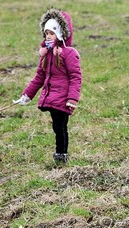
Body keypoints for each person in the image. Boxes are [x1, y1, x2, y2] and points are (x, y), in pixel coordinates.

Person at [14, 9, 82, 165]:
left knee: (60, 128)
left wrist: (72, 98)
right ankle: (60, 154)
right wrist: (27, 95)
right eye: (46, 33)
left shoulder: (69, 53)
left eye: (51, 33)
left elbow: (75, 77)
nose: (48, 36)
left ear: (59, 33)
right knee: (57, 127)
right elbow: (40, 77)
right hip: (52, 98)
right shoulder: (47, 54)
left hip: (64, 99)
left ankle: (61, 155)